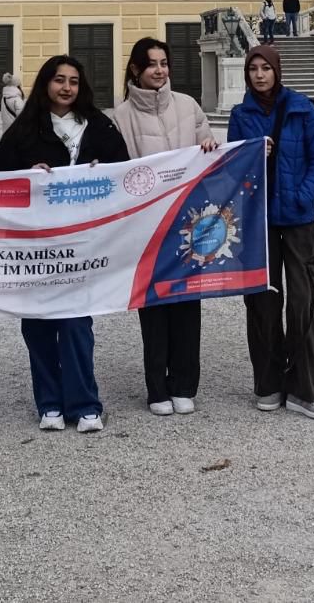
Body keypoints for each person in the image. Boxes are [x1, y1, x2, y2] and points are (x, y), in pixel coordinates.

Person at [0, 55, 130, 434]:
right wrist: (26, 176)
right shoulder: (23, 131)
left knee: (75, 323)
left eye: (73, 80)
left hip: (84, 243)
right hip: (35, 245)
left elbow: (126, 174)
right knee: (37, 324)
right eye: (59, 80)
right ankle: (49, 402)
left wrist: (103, 172)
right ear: (45, 84)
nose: (66, 87)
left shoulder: (100, 126)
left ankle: (85, 402)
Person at [110, 37, 219, 417]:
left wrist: (207, 142)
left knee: (188, 304)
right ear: (136, 69)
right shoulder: (119, 116)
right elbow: (115, 169)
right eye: (152, 64)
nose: (160, 70)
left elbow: (206, 137)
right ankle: (157, 387)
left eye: (164, 63)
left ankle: (184, 383)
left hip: (191, 223)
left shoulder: (188, 105)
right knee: (153, 306)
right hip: (147, 225)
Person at [227, 44, 314, 421]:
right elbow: (232, 168)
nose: (259, 75)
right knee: (262, 304)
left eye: (265, 68)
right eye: (253, 69)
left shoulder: (303, 108)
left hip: (299, 218)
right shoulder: (241, 115)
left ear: (277, 71)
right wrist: (253, 152)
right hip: (259, 224)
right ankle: (269, 382)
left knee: (305, 301)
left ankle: (305, 389)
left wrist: (302, 198)